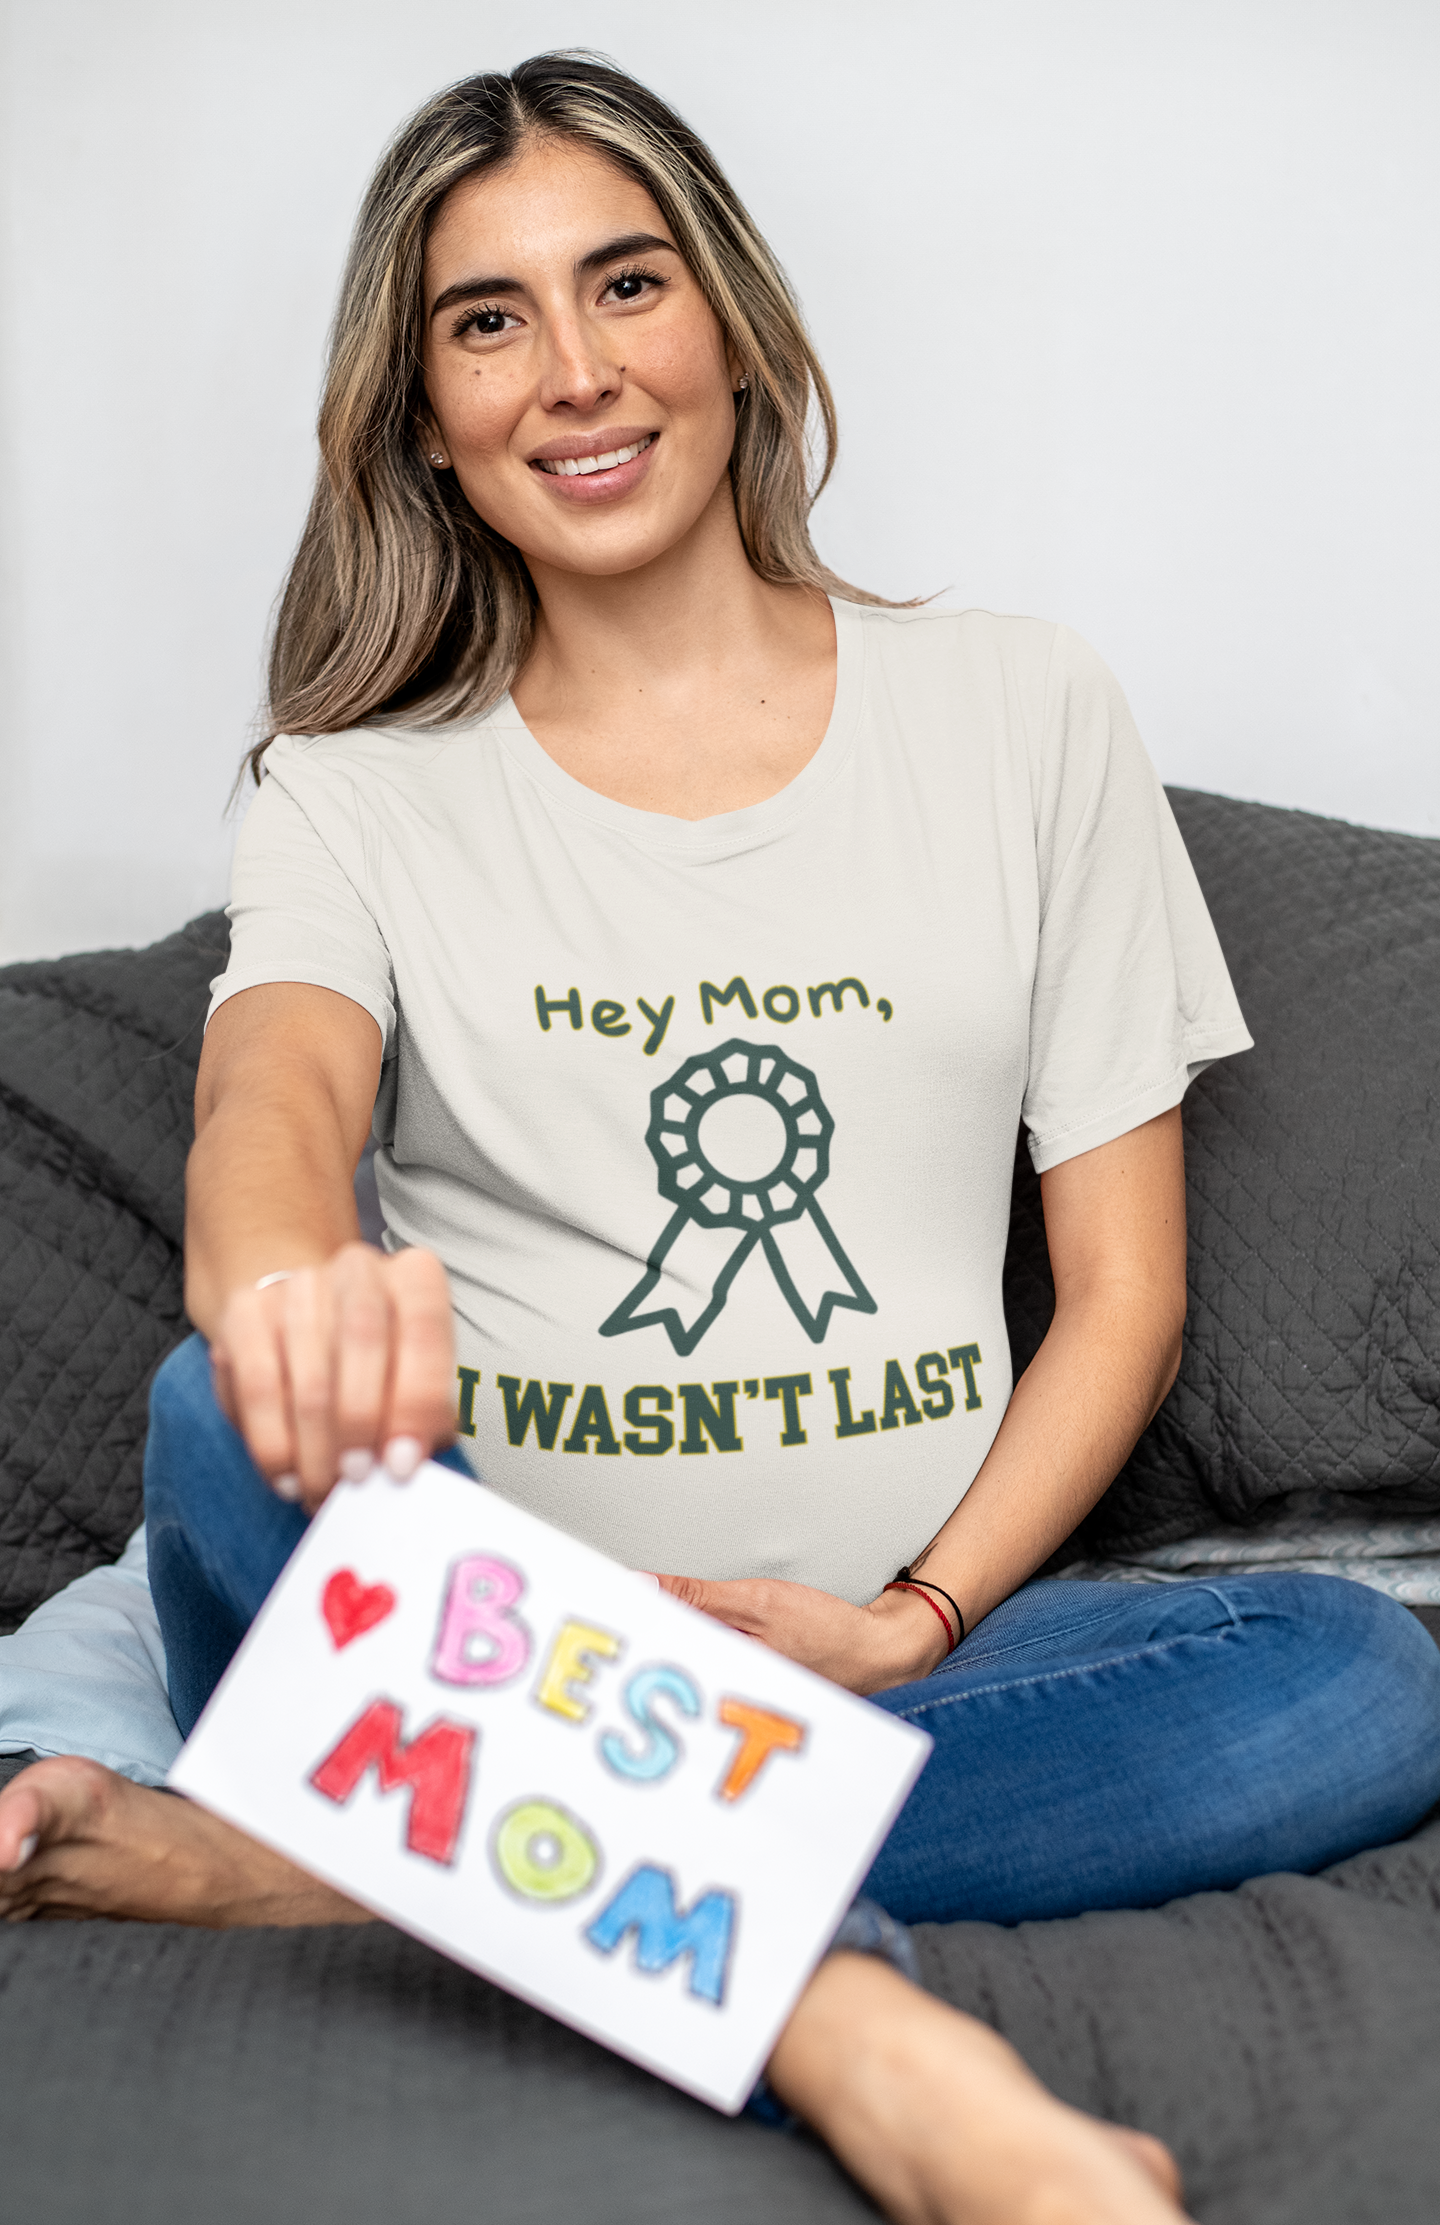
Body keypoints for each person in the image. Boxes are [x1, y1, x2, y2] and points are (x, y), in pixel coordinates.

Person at [3, 51, 1438, 2223]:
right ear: (423, 414)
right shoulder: (354, 787)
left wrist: (924, 1618)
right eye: (487, 321)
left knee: (1353, 1677)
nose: (573, 372)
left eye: (627, 283)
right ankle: (857, 2031)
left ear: (738, 329)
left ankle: (363, 1855)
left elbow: (1125, 1295)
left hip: (868, 1646)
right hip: (439, 1617)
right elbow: (267, 1100)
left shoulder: (1027, 712)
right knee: (224, 1413)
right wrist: (286, 1278)